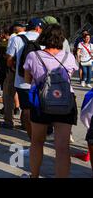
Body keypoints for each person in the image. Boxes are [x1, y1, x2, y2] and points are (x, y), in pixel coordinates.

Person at [24, 24, 78, 178]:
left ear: (44, 38)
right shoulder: (69, 57)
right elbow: (70, 76)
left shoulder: (33, 56)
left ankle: (34, 176)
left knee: (37, 142)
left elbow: (28, 79)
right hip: (66, 102)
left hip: (41, 102)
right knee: (62, 148)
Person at [6, 18, 43, 152]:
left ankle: (33, 141)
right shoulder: (44, 39)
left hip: (22, 82)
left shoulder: (17, 39)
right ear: (39, 28)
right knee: (41, 111)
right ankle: (42, 138)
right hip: (42, 82)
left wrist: (15, 68)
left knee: (26, 112)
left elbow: (9, 60)